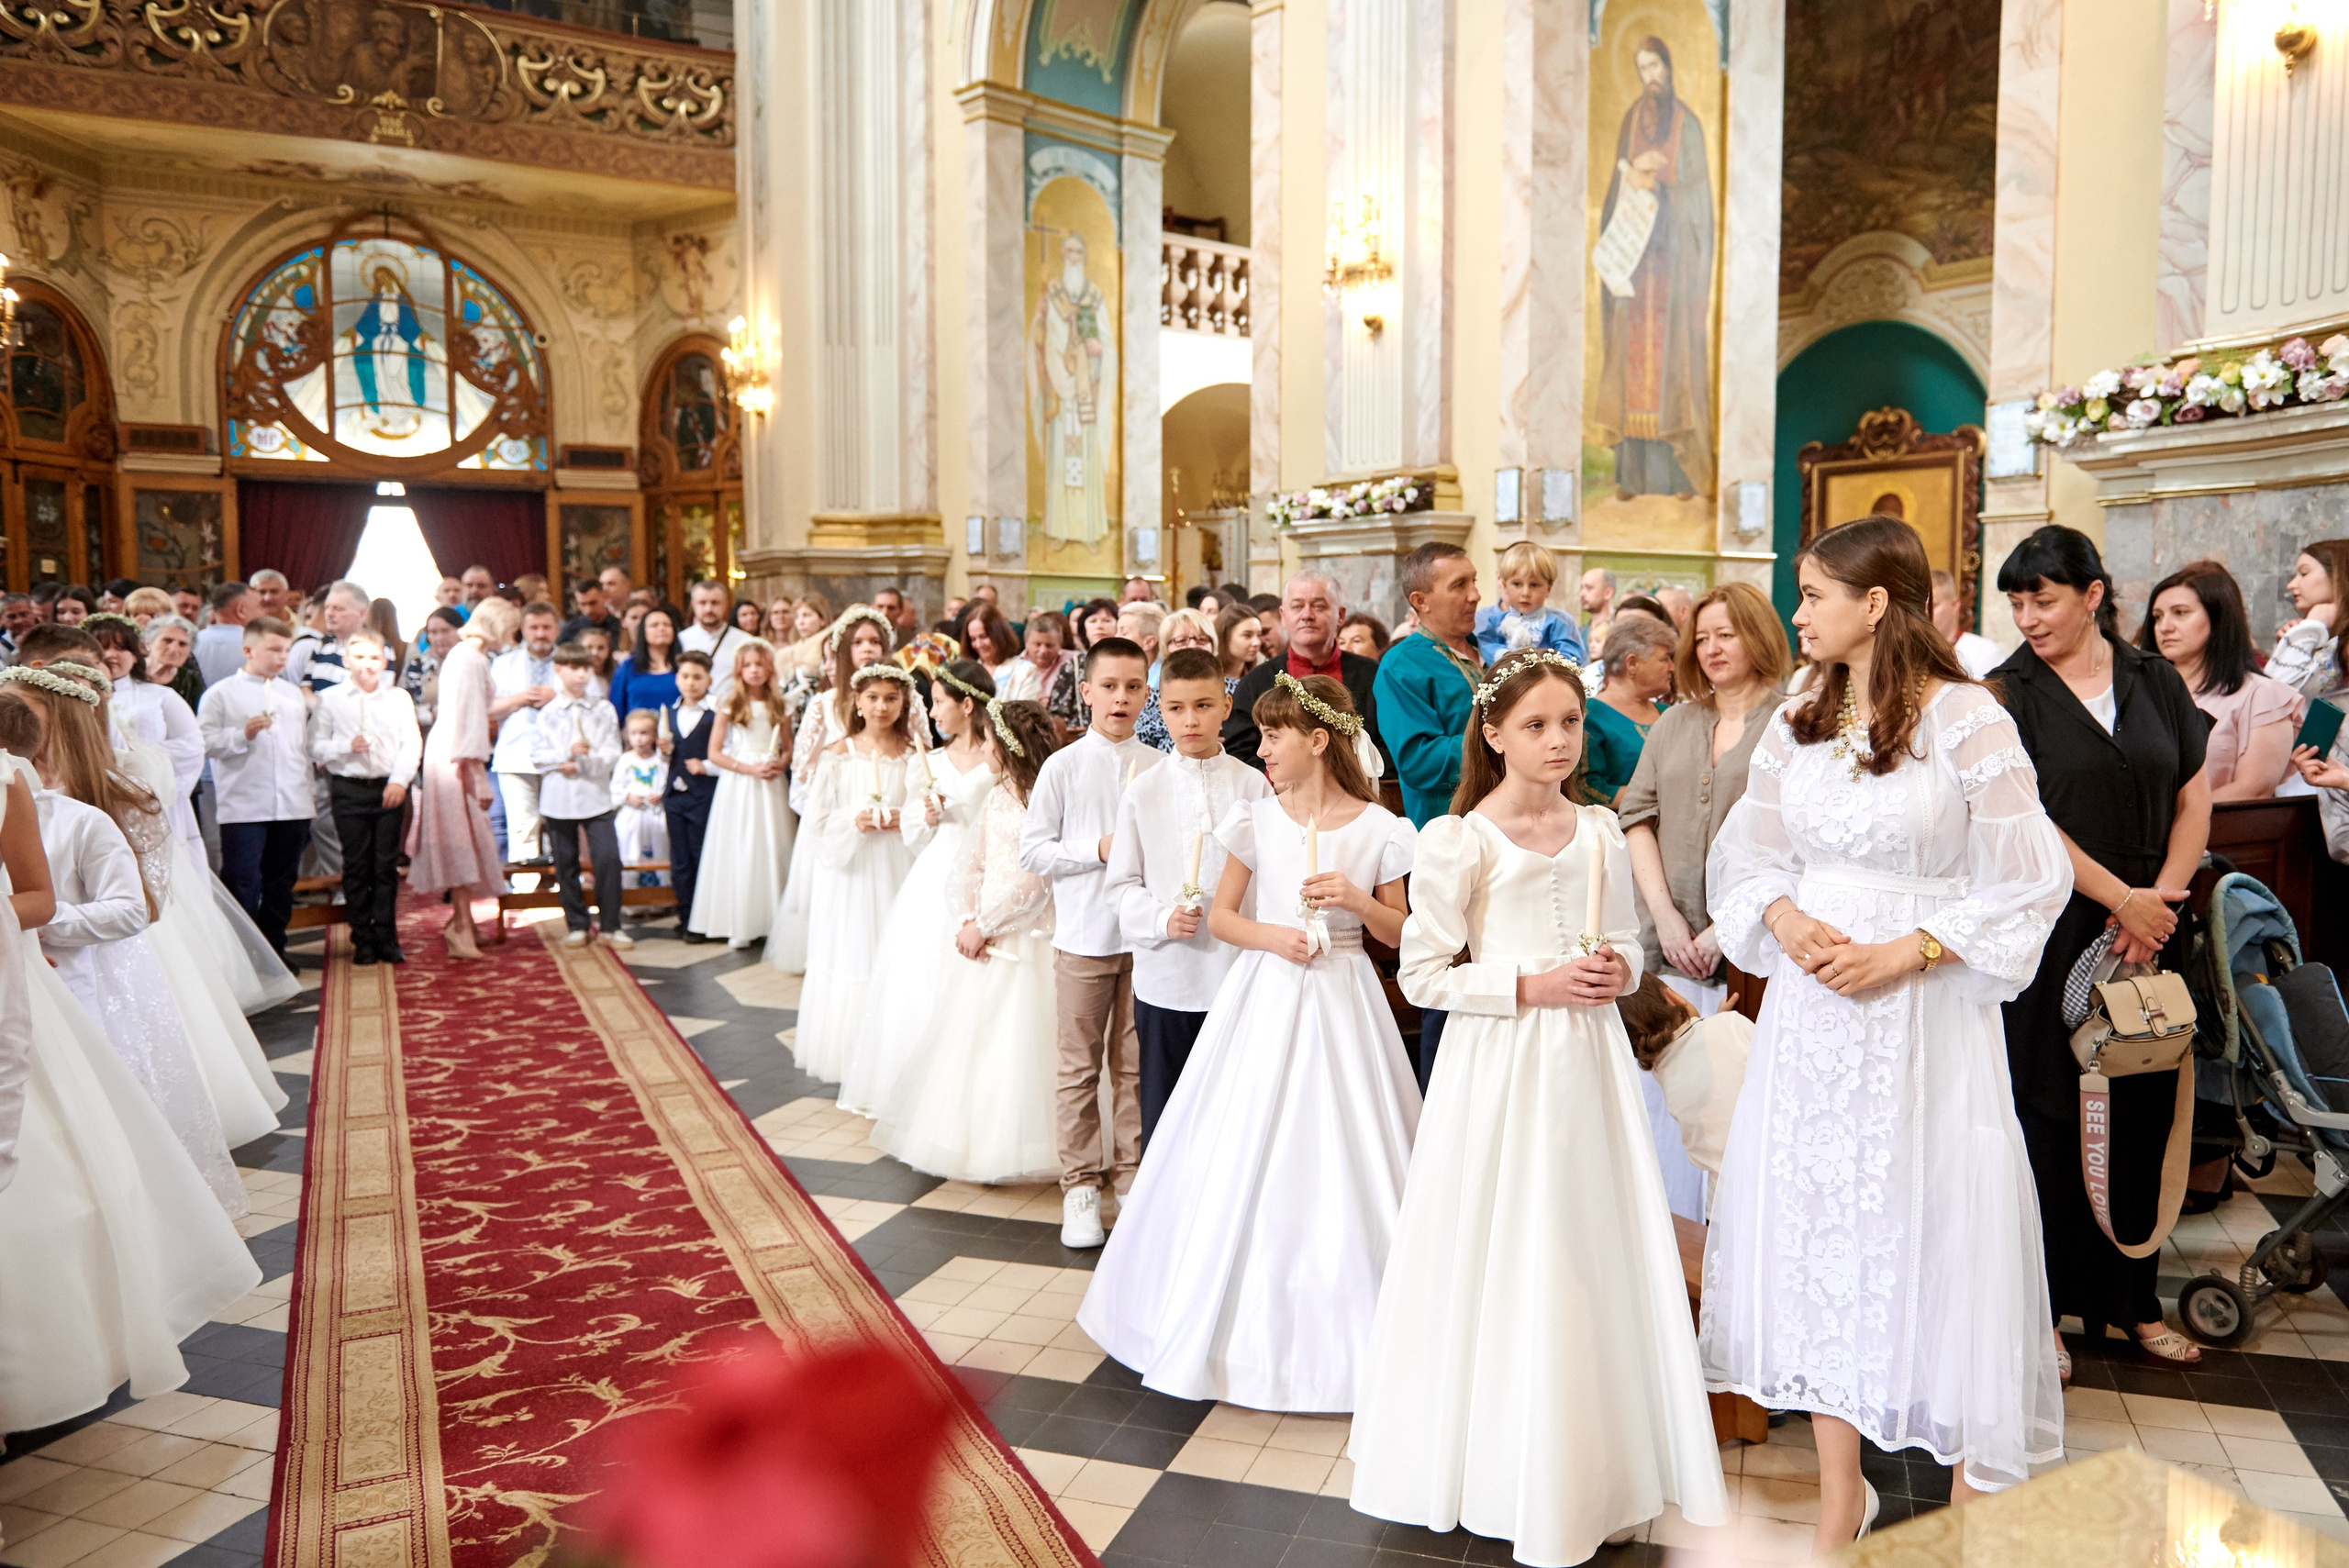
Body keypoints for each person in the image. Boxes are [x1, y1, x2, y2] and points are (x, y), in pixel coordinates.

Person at [1706, 517, 2074, 1549]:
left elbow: (2028, 877)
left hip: (1923, 1018)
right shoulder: (1798, 714)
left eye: (1815, 592)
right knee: (1824, 1232)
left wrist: (1905, 949)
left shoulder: (1967, 718)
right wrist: (1780, 920)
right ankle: (1837, 1500)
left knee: (1939, 1229)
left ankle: (1965, 1499)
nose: (1798, 610)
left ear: (1875, 603)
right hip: (1814, 1017)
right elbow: (1750, 857)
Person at [1351, 649, 1727, 1562]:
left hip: (1588, 1067)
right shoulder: (1458, 838)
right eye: (1535, 725)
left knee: (1583, 1246)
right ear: (1493, 734)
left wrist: (1615, 970)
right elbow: (1425, 972)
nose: (1557, 740)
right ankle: (1491, 1458)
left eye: (1568, 721)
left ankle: (1590, 1461)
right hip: (1501, 1066)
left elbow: (1631, 950)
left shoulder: (1599, 827)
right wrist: (1533, 980)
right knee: (1503, 1242)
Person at [1076, 673, 1417, 1408]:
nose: (1260, 749)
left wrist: (1356, 900)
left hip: (1347, 997)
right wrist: (1275, 938)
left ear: (1318, 741)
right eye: (1259, 734)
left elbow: (1404, 933)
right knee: (1242, 1138)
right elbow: (1224, 917)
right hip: (1266, 992)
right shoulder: (1254, 818)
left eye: (1273, 735)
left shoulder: (1379, 826)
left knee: (1347, 1140)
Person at [1992, 525, 2211, 1370]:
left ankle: (2131, 1302)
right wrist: (2120, 897)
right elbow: (2022, 820)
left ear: (2091, 594)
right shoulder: (2008, 691)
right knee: (2048, 1115)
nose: (2028, 615)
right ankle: (2042, 1312)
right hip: (2058, 927)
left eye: (2042, 598)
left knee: (2143, 1106)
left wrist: (2157, 899)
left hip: (2154, 926)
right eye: (2016, 601)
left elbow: (2194, 794)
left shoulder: (2154, 680)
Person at [6, 668, 248, 1217]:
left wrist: (38, 921)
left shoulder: (97, 808)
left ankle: (133, 1213)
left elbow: (138, 906)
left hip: (90, 974)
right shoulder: (13, 796)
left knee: (101, 1100)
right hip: (20, 973)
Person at [874, 698, 1064, 1181]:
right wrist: (967, 915)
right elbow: (972, 858)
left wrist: (988, 924)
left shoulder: (1043, 799)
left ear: (1010, 747)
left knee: (1023, 1039)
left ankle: (1028, 1144)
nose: (983, 750)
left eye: (990, 742)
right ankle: (970, 1140)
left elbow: (1035, 879)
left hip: (1028, 937)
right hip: (986, 929)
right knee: (974, 1040)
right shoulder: (998, 794)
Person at [1017, 637, 1159, 1249]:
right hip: (1084, 935)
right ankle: (1079, 1185)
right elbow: (1033, 849)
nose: (1121, 698)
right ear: (1088, 691)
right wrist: (1096, 848)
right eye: (1110, 686)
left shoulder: (1159, 764)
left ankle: (1130, 1175)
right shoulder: (1064, 766)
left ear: (1147, 694)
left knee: (1132, 1064)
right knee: (1079, 1067)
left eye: (1133, 687)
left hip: (1148, 938)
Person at [1106, 647, 1271, 1145]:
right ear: (1160, 709)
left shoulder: (1254, 787)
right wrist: (1160, 919)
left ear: (1226, 705)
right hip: (1168, 978)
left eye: (1202, 706)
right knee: (1167, 1110)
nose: (1190, 720)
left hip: (1238, 972)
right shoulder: (1144, 790)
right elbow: (1118, 887)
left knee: (1234, 1109)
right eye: (1176, 708)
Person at [838, 661, 1001, 1123]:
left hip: (989, 877)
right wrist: (923, 817)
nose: (930, 713)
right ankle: (914, 1089)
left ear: (967, 705)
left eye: (939, 703)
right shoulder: (926, 760)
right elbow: (911, 828)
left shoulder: (998, 758)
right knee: (923, 980)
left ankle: (970, 1093)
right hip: (936, 878)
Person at [1621, 583, 1791, 1011]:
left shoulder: (1793, 724)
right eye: (1700, 639)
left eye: (1726, 635)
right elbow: (1637, 818)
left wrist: (1728, 927)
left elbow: (1798, 840)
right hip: (1665, 941)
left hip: (1757, 941)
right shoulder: (1673, 721)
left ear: (1757, 636)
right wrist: (1666, 919)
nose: (1711, 648)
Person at [792, 663, 920, 1082]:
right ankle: (850, 1053)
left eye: (891, 698)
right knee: (854, 948)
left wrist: (905, 818)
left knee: (896, 948)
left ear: (904, 703)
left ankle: (896, 1054)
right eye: (873, 698)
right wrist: (854, 820)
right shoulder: (837, 755)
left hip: (898, 863)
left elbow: (926, 808)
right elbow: (816, 821)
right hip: (853, 868)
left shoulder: (915, 753)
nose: (882, 707)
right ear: (857, 703)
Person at [774, 606, 895, 971]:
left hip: (890, 813)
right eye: (858, 642)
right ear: (844, 650)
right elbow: (804, 768)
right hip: (840, 815)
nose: (867, 649)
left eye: (875, 641)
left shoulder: (899, 700)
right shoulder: (824, 703)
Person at [406, 595, 518, 961]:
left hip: (451, 750)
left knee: (465, 839)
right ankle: (461, 927)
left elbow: (474, 711)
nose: (511, 635)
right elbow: (469, 719)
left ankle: (462, 921)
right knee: (459, 841)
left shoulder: (464, 655)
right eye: (510, 627)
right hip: (457, 756)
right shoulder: (470, 658)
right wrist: (477, 774)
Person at [2141, 561, 2302, 800]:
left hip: (2219, 830)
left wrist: (2173, 822)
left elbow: (2253, 790)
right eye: (2157, 617)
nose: (2164, 627)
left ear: (2218, 619)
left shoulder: (2262, 695)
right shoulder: (2142, 690)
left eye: (2180, 613)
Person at [197, 616, 311, 957]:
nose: (282, 658)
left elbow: (301, 749)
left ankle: (276, 950)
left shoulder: (292, 694)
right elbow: (204, 743)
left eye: (286, 651)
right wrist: (241, 735)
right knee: (243, 881)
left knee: (281, 882)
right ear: (248, 649)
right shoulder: (220, 694)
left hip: (292, 803)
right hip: (244, 804)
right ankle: (243, 958)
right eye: (274, 649)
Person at [309, 630, 419, 964]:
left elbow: (410, 743)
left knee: (385, 866)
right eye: (359, 657)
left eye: (374, 658)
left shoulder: (398, 698)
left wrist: (399, 781)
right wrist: (345, 746)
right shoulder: (330, 699)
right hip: (349, 788)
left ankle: (387, 936)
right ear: (346, 661)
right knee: (357, 865)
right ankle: (363, 939)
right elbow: (315, 745)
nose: (367, 665)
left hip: (388, 787)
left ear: (384, 661)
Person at [1223, 572, 1386, 774]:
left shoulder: (1374, 676)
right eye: (1297, 606)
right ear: (1283, 616)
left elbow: (1391, 748)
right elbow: (1242, 756)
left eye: (1318, 606)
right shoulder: (1255, 683)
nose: (1307, 615)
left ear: (1341, 615)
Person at [692, 639, 795, 950]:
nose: (754, 671)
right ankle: (739, 921)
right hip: (740, 782)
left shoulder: (781, 704)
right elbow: (715, 753)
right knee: (741, 846)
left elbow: (788, 747)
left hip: (771, 781)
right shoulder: (730, 703)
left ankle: (774, 920)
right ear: (739, 669)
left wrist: (781, 762)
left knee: (771, 845)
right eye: (747, 665)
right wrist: (748, 769)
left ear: (769, 669)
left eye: (760, 665)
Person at [1377, 543, 1484, 828]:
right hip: (1450, 827)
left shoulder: (1491, 648)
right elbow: (1418, 762)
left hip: (1518, 823)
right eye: (1459, 585)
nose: (1475, 595)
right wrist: (1502, 741)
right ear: (1420, 601)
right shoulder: (1401, 665)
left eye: (1474, 581)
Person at [532, 643, 629, 951]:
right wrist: (565, 756)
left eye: (585, 668)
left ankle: (612, 924)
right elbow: (538, 756)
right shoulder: (548, 713)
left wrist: (585, 761)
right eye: (573, 668)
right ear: (559, 671)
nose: (580, 675)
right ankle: (576, 923)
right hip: (559, 796)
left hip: (595, 793)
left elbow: (613, 751)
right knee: (566, 863)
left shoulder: (603, 709)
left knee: (608, 858)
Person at [490, 600, 562, 876]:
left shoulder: (570, 661)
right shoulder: (504, 663)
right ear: (523, 629)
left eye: (546, 627)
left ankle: (559, 886)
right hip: (515, 753)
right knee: (523, 824)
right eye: (534, 627)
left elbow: (591, 701)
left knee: (558, 823)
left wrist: (556, 698)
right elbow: (489, 707)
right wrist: (520, 699)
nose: (540, 633)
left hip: (559, 755)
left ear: (557, 629)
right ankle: (524, 890)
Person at [1585, 614, 1677, 806]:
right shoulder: (1590, 716)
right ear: (1632, 664)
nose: (1672, 668)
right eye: (1664, 659)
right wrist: (1668, 793)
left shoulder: (1668, 713)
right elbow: (1588, 789)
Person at [662, 651, 721, 941]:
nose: (691, 683)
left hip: (704, 795)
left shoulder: (715, 715)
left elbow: (726, 752)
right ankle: (685, 916)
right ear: (677, 678)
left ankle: (702, 919)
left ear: (709, 680)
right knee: (680, 859)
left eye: (698, 677)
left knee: (701, 856)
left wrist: (706, 766)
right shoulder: (669, 714)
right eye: (685, 676)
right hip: (674, 795)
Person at [1475, 541, 1588, 665]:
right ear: (1504, 586)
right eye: (1517, 584)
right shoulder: (1495, 621)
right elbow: (1487, 644)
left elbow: (1571, 655)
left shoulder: (1556, 623)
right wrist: (1505, 656)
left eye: (1534, 585)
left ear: (1548, 588)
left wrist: (1540, 663)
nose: (1526, 593)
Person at [2268, 539, 2348, 698]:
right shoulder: (2316, 634)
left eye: (2304, 574)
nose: (2291, 585)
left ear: (2338, 576)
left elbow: (2275, 697)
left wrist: (2308, 629)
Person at [612, 710, 670, 889]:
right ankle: (633, 899)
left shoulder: (661, 760)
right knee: (631, 852)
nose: (638, 739)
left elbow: (667, 781)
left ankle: (660, 895)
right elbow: (615, 787)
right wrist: (627, 796)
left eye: (644, 733)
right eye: (634, 733)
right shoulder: (625, 760)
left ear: (654, 735)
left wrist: (660, 794)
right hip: (632, 817)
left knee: (659, 852)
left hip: (655, 816)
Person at [1002, 608, 1082, 728]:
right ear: (1026, 642)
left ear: (1060, 643)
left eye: (1049, 645)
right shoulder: (1012, 667)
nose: (1043, 651)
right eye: (1037, 644)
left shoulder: (1074, 662)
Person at [681, 578, 751, 700]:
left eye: (715, 603)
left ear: (726, 604)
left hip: (731, 711)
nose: (709, 609)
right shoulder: (681, 639)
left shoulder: (745, 641)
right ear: (693, 605)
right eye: (702, 603)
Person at [611, 603, 684, 717]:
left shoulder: (685, 666)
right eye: (654, 625)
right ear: (643, 632)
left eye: (667, 625)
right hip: (637, 733)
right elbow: (616, 709)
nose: (661, 628)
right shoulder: (628, 667)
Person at [400, 606, 463, 729]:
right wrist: (432, 713)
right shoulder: (417, 665)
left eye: (445, 631)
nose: (439, 638)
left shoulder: (474, 661)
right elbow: (404, 706)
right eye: (433, 632)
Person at [1932, 569, 2003, 679]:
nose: (1926, 612)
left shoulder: (1984, 652)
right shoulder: (1909, 653)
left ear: (1955, 605)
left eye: (1933, 605)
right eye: (1920, 607)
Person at [195, 581, 258, 686]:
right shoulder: (258, 643)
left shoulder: (191, 641)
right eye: (259, 606)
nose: (264, 613)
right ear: (241, 610)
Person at [560, 577, 624, 646]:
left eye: (593, 603)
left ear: (605, 597)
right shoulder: (570, 629)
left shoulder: (620, 627)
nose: (589, 610)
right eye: (583, 604)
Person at [1580, 566, 1619, 653]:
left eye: (1589, 588)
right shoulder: (1580, 633)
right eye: (1581, 588)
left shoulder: (1620, 627)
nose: (1582, 594)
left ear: (1608, 593)